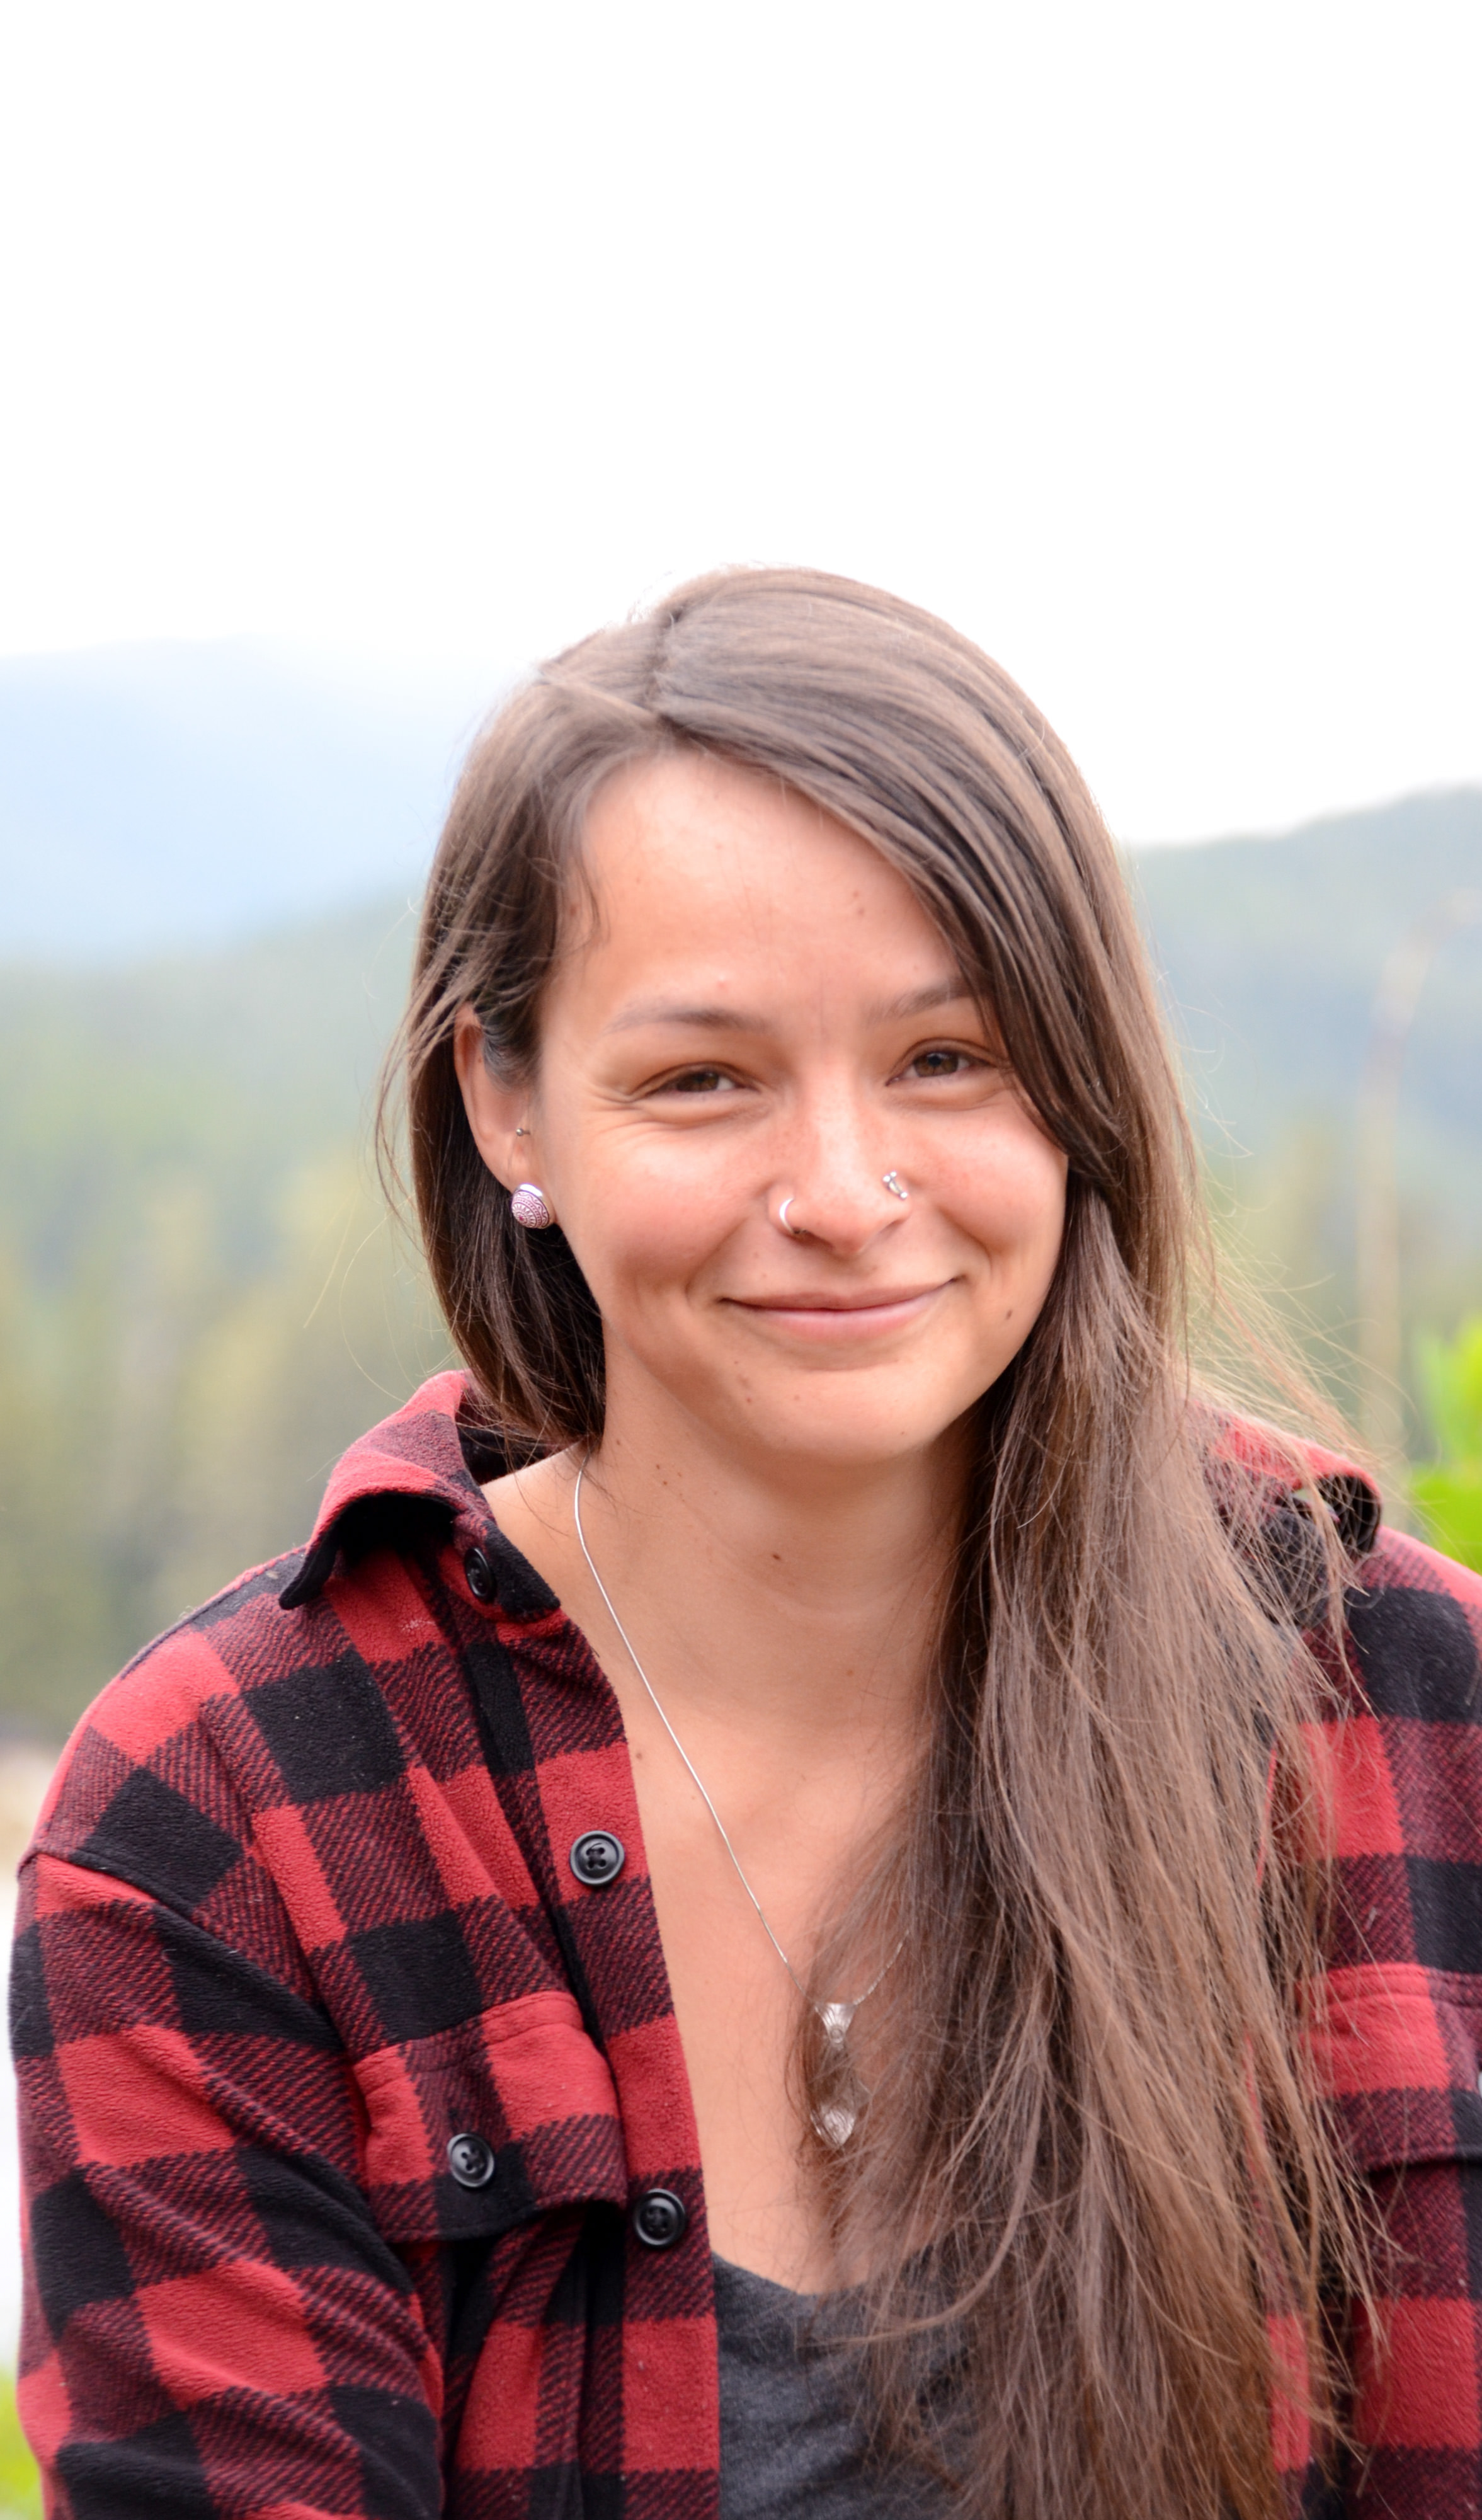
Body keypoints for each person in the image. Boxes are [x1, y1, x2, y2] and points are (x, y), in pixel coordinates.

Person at [11, 567, 1481, 2520]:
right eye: (701, 1078)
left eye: (945, 1058)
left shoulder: (1401, 1710)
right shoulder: (235, 1823)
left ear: (1079, 1087)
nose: (843, 1193)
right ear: (508, 1106)